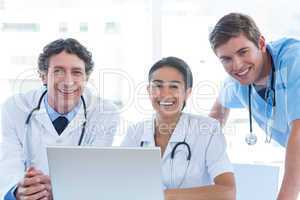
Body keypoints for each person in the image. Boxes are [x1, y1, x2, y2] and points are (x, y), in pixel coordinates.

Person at [0, 38, 120, 200]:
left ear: (86, 78)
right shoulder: (15, 108)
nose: (68, 81)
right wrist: (18, 190)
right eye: (58, 71)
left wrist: (59, 192)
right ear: (43, 76)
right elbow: (9, 162)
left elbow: (94, 174)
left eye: (76, 72)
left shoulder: (104, 113)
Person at [209, 12, 300, 199]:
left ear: (261, 43)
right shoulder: (236, 83)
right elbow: (218, 110)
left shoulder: (294, 61)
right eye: (226, 59)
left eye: (243, 52)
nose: (237, 65)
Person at [122, 57, 235, 200]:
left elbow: (227, 192)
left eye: (174, 86)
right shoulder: (135, 133)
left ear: (187, 93)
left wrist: (162, 196)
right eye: (158, 86)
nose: (165, 94)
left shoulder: (207, 130)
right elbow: (120, 183)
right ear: (148, 90)